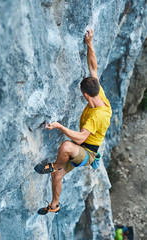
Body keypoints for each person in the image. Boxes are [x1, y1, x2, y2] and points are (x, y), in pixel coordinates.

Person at [34, 29, 112, 215]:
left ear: (85, 95)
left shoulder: (97, 116)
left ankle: (54, 165)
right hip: (84, 147)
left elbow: (79, 139)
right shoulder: (98, 93)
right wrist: (89, 43)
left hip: (87, 152)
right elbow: (93, 68)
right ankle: (54, 206)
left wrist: (60, 126)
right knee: (57, 177)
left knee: (66, 147)